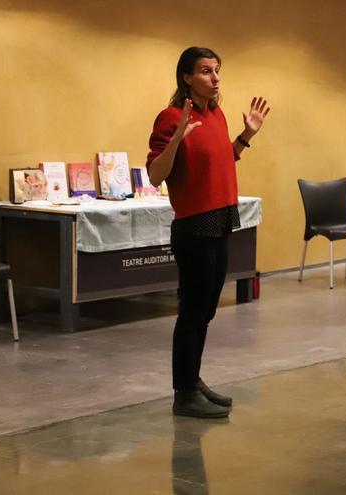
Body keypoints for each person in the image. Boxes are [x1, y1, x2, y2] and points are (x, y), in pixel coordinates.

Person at [146, 46, 270, 418]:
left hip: (220, 217)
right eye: (205, 71)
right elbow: (155, 175)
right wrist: (177, 137)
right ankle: (183, 393)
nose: (215, 78)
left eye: (217, 70)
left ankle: (193, 379)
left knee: (206, 310)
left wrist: (245, 137)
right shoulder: (171, 117)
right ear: (186, 77)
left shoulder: (216, 113)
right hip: (193, 224)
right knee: (193, 310)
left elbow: (219, 159)